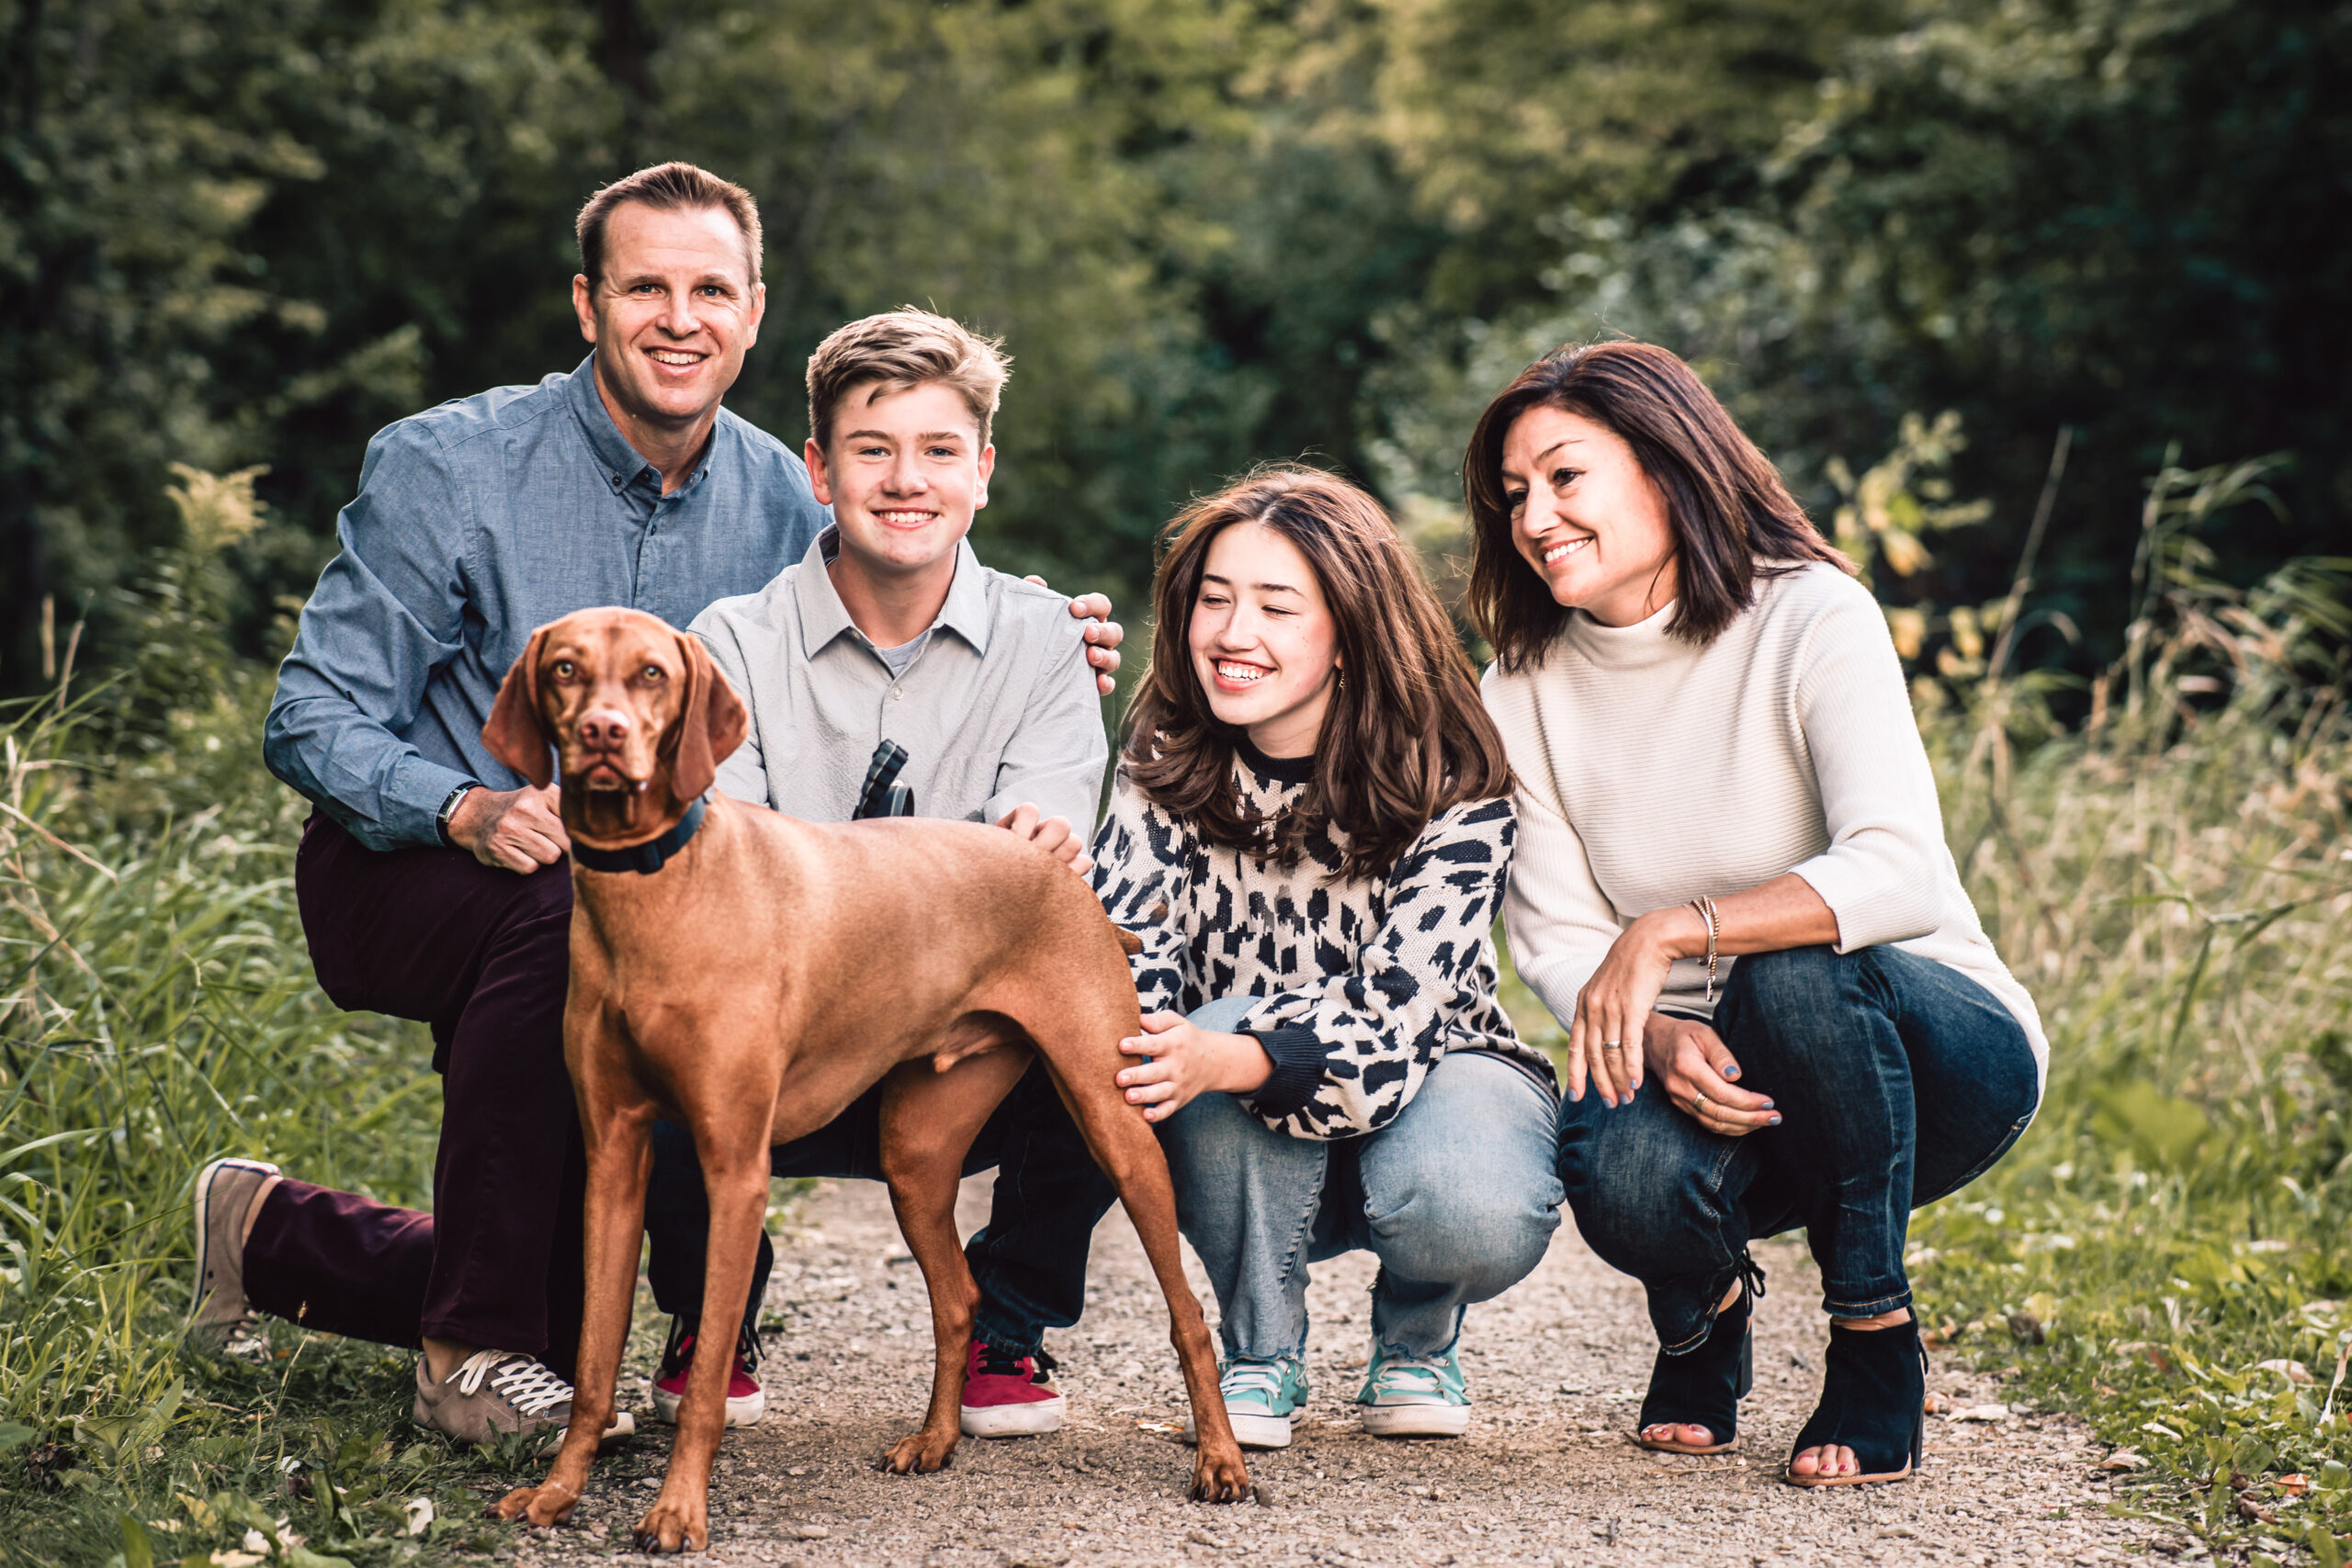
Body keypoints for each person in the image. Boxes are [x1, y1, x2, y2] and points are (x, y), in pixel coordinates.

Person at [191, 163, 1123, 1445]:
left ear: (751, 313)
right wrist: (465, 804)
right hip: (407, 860)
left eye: (710, 290)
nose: (678, 318)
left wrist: (1044, 624)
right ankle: (471, 1350)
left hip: (628, 881)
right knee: (564, 903)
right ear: (588, 303)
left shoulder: (781, 495)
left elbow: (909, 550)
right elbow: (309, 716)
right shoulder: (447, 467)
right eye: (645, 287)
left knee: (590, 1202)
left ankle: (271, 1233)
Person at [1468, 341, 2044, 1486]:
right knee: (1618, 1176)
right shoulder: (1519, 685)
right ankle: (1705, 1312)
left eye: (1566, 477)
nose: (1536, 517)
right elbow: (1553, 930)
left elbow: (1896, 873)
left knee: (1793, 973)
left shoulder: (1811, 615)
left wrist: (1674, 929)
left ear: (1666, 462)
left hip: (1931, 1052)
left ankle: (1875, 1337)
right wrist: (1660, 1029)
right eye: (1514, 494)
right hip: (1709, 1069)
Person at [639, 308, 1117, 1440]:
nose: (908, 480)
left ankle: (1007, 1324)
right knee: (661, 1003)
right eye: (873, 449)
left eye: (940, 451)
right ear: (819, 469)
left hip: (964, 1045)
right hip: (783, 1032)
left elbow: (1034, 848)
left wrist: (1023, 854)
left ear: (983, 472)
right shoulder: (733, 641)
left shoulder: (1047, 639)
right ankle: (714, 1312)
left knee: (1093, 1000)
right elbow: (733, 879)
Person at [1088, 468, 1563, 1450]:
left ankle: (1420, 1340)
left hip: (1436, 1075)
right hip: (1237, 1138)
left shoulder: (1455, 782)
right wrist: (1179, 1051)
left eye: (1274, 606)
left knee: (1471, 1203)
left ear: (1347, 632)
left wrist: (1234, 1054)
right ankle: (1260, 1348)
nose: (1231, 632)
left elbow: (1398, 1015)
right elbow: (1122, 947)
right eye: (1213, 600)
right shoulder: (1164, 755)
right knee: (1183, 1037)